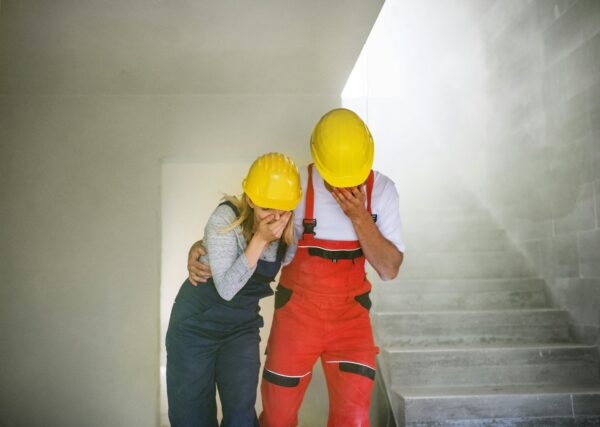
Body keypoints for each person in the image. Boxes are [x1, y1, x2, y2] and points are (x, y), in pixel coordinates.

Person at [188, 108, 405, 427]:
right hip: (297, 314)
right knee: (277, 416)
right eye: (334, 177)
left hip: (351, 319)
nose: (342, 186)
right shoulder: (297, 184)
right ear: (316, 158)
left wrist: (359, 217)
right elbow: (246, 222)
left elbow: (389, 270)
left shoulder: (384, 192)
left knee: (354, 418)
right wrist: (202, 248)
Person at [167, 152, 302, 427]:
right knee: (192, 418)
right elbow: (227, 288)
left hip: (241, 329)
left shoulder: (289, 233)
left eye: (282, 210)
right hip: (194, 327)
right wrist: (260, 242)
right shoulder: (224, 218)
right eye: (266, 208)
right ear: (250, 199)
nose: (274, 218)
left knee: (241, 416)